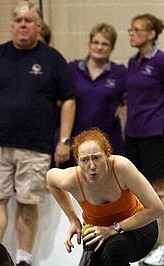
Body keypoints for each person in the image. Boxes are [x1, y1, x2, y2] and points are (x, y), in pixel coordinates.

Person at [0, 1, 76, 266]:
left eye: (29, 20)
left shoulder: (53, 60)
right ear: (11, 25)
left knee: (28, 203)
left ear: (38, 27)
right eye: (18, 20)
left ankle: (23, 262)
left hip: (37, 146)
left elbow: (68, 100)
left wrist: (64, 139)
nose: (23, 25)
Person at [46, 128, 163, 266]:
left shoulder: (122, 168)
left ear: (107, 156)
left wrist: (115, 228)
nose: (91, 166)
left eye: (97, 158)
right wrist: (73, 220)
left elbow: (156, 208)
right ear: (78, 162)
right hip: (98, 233)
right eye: (85, 160)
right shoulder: (72, 178)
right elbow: (50, 179)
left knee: (114, 247)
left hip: (140, 227)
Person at [124, 13, 164, 266]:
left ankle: (163, 246)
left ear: (151, 34)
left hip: (156, 135)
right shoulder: (133, 62)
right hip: (133, 135)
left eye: (137, 30)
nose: (132, 33)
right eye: (131, 29)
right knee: (134, 192)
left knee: (157, 192)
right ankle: (140, 242)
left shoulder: (162, 61)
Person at [58, 23, 127, 168]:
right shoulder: (72, 69)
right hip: (75, 142)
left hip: (107, 143)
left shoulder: (120, 73)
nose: (100, 47)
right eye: (96, 42)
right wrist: (62, 141)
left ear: (112, 48)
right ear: (89, 45)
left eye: (105, 44)